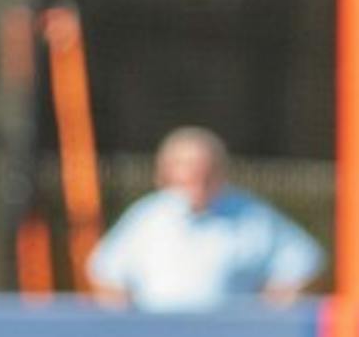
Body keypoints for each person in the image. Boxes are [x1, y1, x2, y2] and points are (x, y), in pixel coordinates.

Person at [87, 126, 324, 313]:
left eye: (205, 170)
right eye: (185, 168)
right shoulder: (147, 216)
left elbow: (302, 263)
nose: (196, 178)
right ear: (165, 174)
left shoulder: (252, 217)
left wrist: (268, 313)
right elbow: (107, 274)